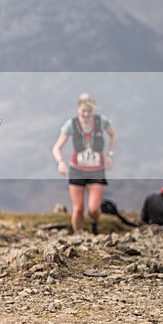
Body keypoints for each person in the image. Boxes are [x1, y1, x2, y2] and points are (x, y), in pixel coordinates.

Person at [52, 93, 117, 234]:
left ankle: (94, 225)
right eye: (83, 111)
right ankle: (79, 236)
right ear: (78, 109)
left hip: (96, 170)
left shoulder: (102, 122)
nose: (86, 114)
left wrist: (109, 155)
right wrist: (60, 162)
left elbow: (113, 135)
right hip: (77, 170)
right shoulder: (71, 124)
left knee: (93, 209)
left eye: (89, 111)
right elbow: (56, 147)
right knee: (79, 208)